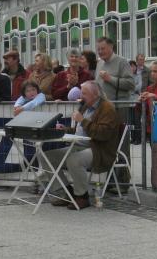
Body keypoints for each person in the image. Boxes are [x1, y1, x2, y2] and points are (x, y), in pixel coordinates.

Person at [41, 80, 119, 210]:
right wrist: (65, 129)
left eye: (84, 93)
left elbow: (103, 133)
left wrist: (82, 120)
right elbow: (81, 131)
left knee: (74, 160)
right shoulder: (86, 106)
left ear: (95, 94)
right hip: (79, 145)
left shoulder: (107, 108)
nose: (81, 96)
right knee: (46, 156)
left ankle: (82, 196)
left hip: (99, 149)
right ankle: (65, 193)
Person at [95, 36, 135, 186]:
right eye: (98, 49)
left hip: (119, 109)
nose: (100, 52)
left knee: (121, 145)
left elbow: (130, 84)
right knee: (107, 145)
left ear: (111, 47)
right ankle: (110, 181)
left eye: (103, 48)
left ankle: (123, 182)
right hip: (103, 110)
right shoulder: (99, 63)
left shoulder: (122, 62)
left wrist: (110, 78)